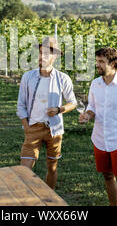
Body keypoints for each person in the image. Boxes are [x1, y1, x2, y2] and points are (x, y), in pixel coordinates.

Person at [79, 47, 117, 206]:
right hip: (99, 139)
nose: (97, 65)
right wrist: (88, 115)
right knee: (107, 176)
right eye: (97, 61)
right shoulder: (95, 84)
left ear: (113, 63)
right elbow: (92, 107)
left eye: (101, 62)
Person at [17, 36, 77, 189]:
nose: (42, 56)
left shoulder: (63, 78)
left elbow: (73, 102)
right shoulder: (27, 77)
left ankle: (49, 200)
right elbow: (20, 105)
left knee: (52, 167)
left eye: (47, 53)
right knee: (24, 171)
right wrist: (26, 127)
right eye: (40, 53)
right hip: (33, 128)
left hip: (54, 130)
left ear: (55, 56)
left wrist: (59, 109)